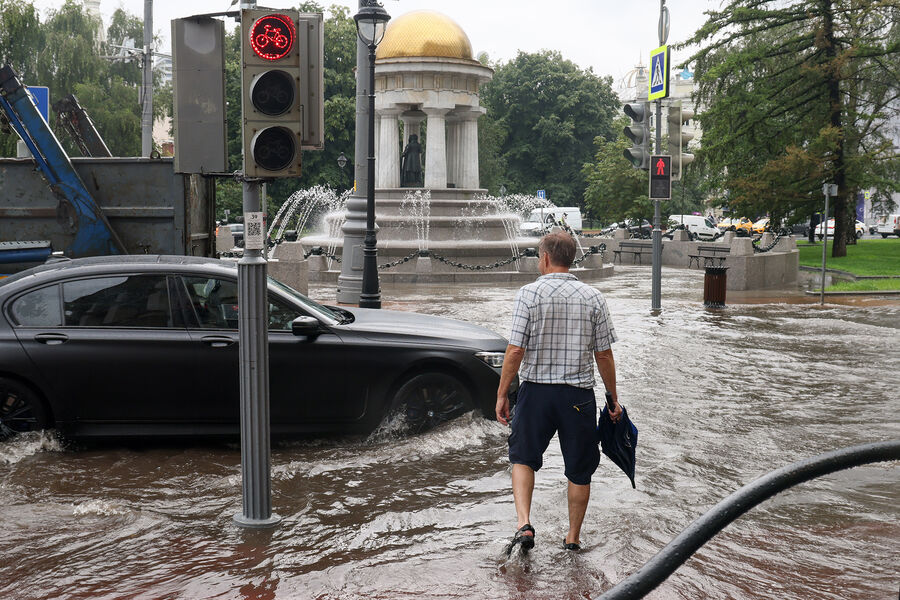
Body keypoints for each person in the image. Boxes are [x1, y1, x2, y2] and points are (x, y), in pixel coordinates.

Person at [495, 231, 621, 555]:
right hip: (577, 397)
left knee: (522, 457)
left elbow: (514, 351)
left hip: (536, 392)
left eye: (539, 257)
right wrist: (612, 398)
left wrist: (502, 393)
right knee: (580, 469)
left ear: (546, 258)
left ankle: (524, 523)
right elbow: (604, 355)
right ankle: (573, 538)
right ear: (571, 258)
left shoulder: (529, 294)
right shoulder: (594, 297)